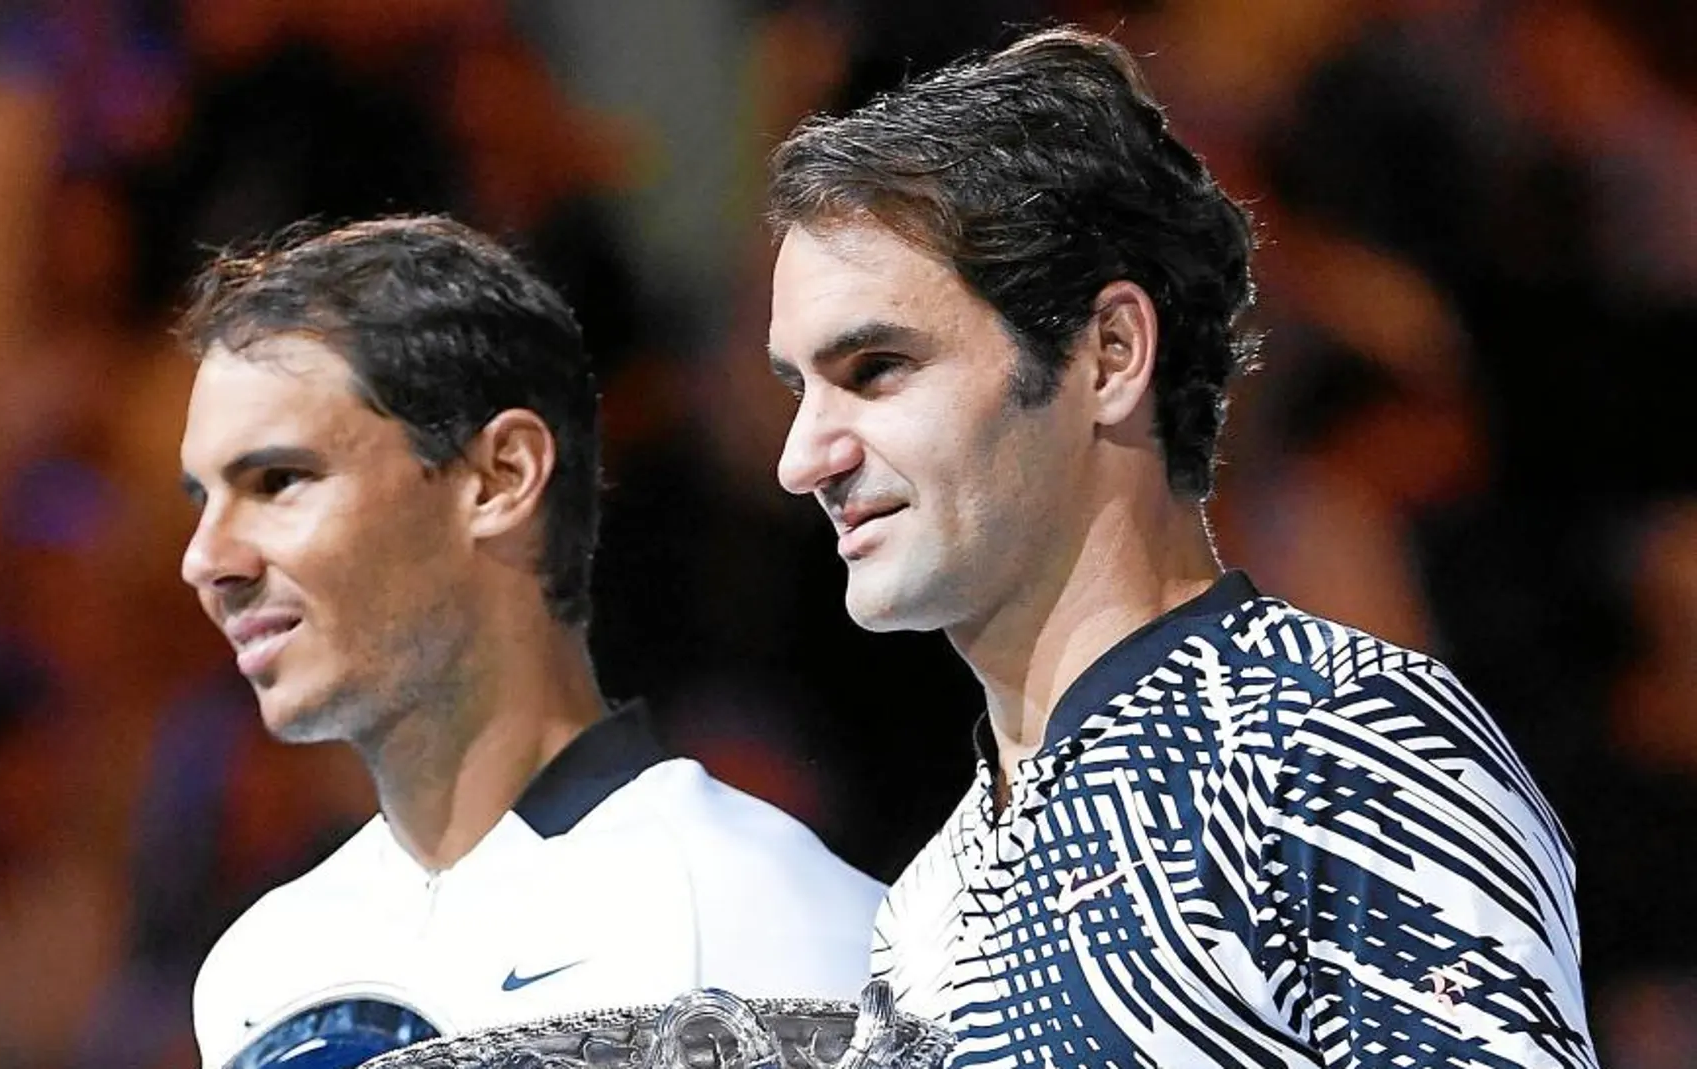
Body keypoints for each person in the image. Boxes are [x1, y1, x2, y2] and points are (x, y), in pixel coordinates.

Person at [763, 26, 1597, 1069]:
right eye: (799, 389)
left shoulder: (1334, 742)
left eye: (877, 367)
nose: (806, 457)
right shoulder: (928, 897)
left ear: (1107, 353)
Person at [175, 215, 881, 1069]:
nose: (207, 559)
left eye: (278, 480)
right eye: (200, 499)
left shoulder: (758, 924)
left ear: (500, 477)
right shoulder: (257, 969)